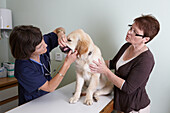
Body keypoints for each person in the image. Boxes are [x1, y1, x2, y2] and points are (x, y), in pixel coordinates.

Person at [89, 14, 160, 113]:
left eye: (135, 32)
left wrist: (105, 71)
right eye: (131, 28)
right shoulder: (127, 46)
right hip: (121, 104)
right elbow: (113, 64)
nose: (129, 32)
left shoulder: (146, 60)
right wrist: (92, 62)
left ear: (146, 39)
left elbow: (128, 88)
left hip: (135, 108)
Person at [9, 25, 77, 105]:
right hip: (32, 104)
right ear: (28, 52)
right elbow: (49, 87)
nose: (46, 45)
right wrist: (67, 63)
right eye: (40, 46)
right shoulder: (23, 68)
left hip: (49, 98)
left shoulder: (39, 42)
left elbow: (59, 29)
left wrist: (60, 34)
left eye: (43, 41)